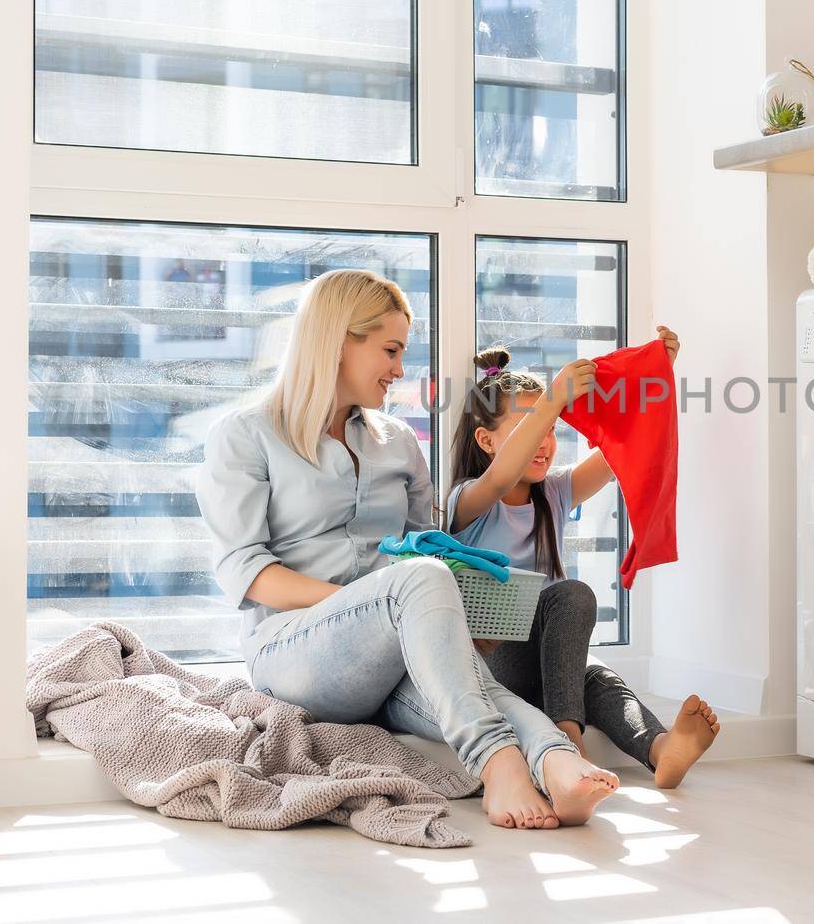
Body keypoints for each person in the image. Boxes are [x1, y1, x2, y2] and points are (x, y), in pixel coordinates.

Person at [195, 268, 617, 829]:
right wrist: (377, 605)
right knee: (416, 582)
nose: (400, 369)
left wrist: (422, 616)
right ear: (338, 341)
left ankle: (558, 761)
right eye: (390, 350)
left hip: (389, 648)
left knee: (475, 680)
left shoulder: (397, 442)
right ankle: (499, 765)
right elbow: (246, 573)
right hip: (292, 652)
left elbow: (433, 554)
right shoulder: (245, 435)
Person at [445, 330, 720, 789]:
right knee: (572, 595)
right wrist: (553, 399)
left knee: (600, 680)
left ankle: (661, 749)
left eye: (552, 427)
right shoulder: (469, 501)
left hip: (554, 671)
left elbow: (623, 446)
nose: (545, 440)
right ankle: (567, 738)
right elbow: (500, 478)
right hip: (494, 669)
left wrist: (652, 376)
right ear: (486, 441)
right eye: (528, 426)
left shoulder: (553, 491)